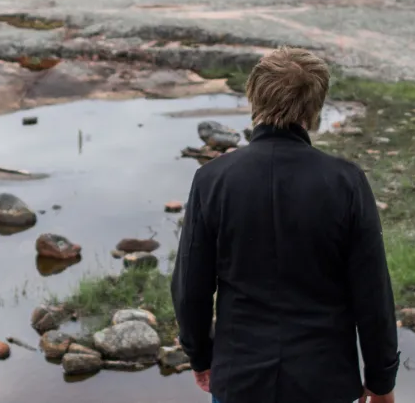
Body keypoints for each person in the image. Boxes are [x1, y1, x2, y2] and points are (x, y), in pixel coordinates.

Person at [171, 47, 400, 403]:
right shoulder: (346, 182)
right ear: (314, 109)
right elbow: (373, 296)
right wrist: (381, 381)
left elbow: (190, 289)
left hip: (239, 378)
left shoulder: (211, 180)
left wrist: (200, 357)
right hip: (324, 380)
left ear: (253, 96)